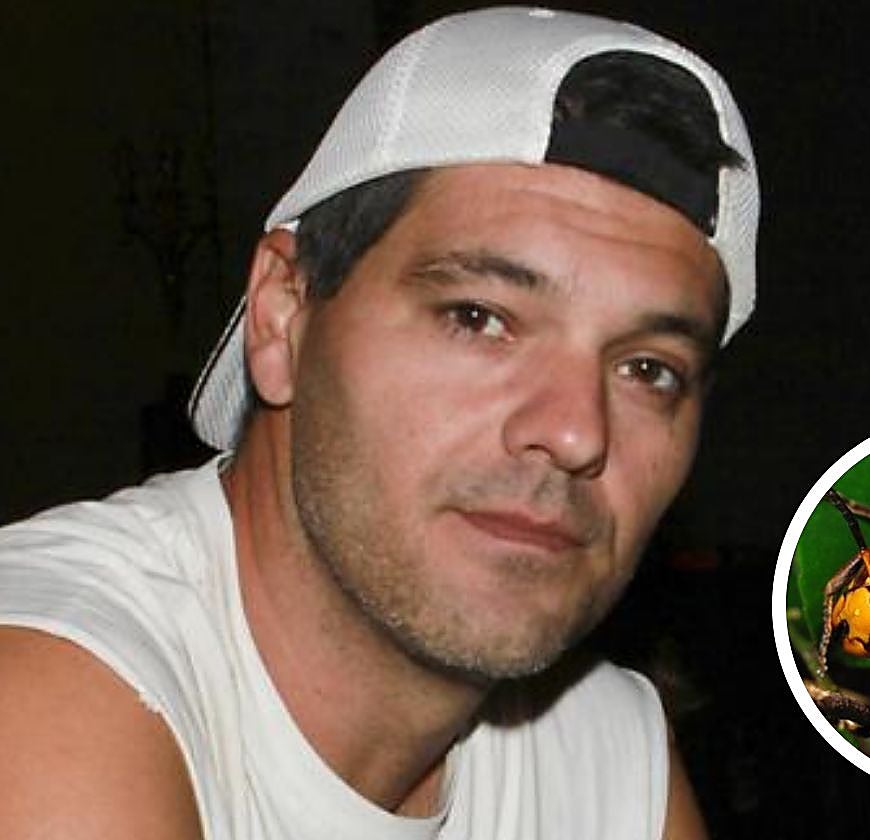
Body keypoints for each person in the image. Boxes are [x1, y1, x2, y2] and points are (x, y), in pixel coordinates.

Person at [0, 6, 757, 838]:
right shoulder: (50, 691)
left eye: (648, 370)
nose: (577, 432)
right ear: (283, 315)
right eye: (477, 318)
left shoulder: (607, 755)